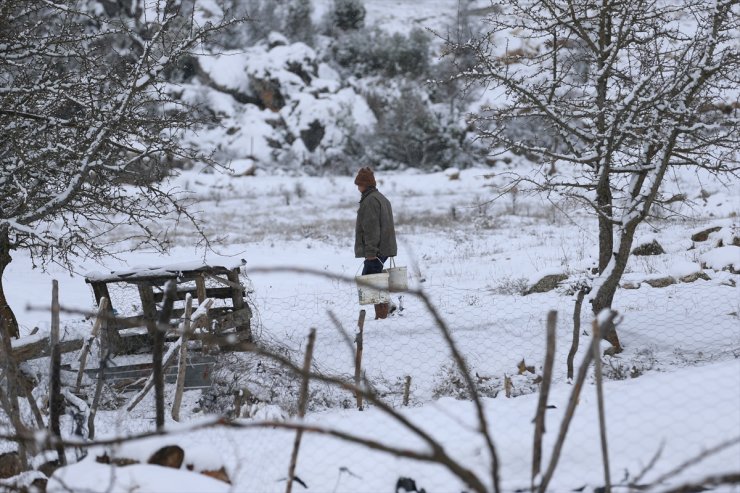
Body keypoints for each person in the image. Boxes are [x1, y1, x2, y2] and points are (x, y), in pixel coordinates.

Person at [354, 167, 397, 319]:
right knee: (373, 279)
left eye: (359, 184)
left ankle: (383, 314)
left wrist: (371, 252)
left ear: (366, 184)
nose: (358, 187)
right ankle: (388, 307)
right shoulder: (380, 197)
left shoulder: (370, 201)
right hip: (384, 247)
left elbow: (371, 229)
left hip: (377, 250)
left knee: (371, 280)